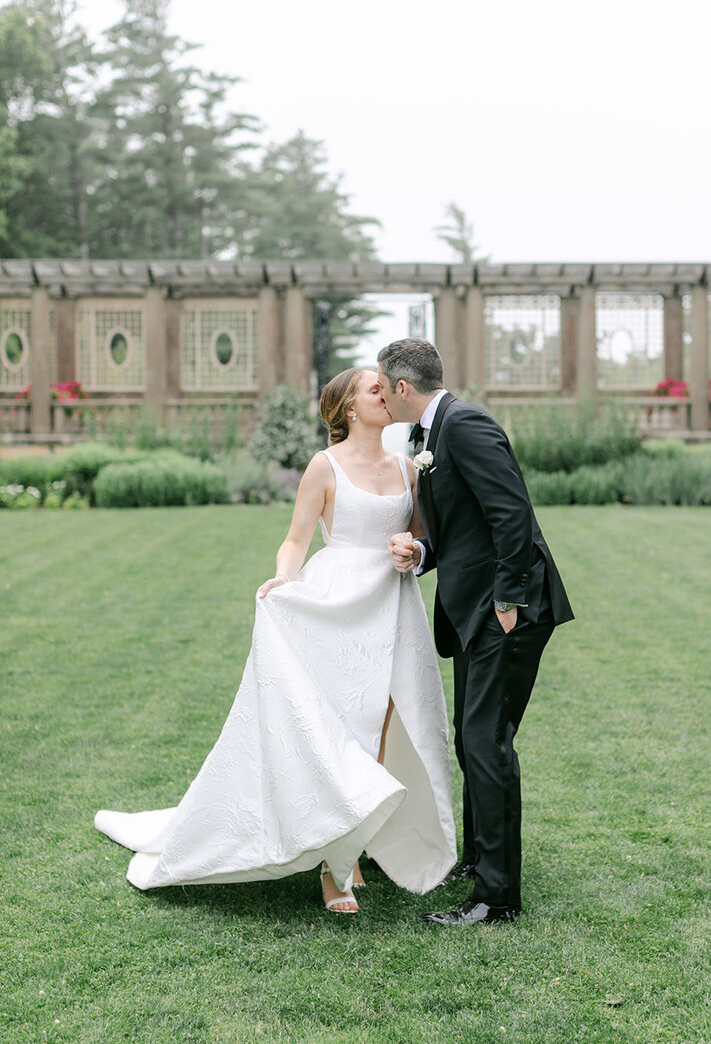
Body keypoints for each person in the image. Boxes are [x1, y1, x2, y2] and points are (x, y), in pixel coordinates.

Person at [95, 368, 456, 915]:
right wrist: (286, 580)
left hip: (394, 607)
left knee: (384, 723)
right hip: (336, 608)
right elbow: (295, 540)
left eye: (386, 388)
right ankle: (336, 872)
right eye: (373, 389)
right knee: (346, 724)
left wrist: (413, 547)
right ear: (350, 409)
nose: (386, 394)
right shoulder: (324, 466)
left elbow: (425, 535)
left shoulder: (409, 467)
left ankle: (352, 841)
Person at [377, 338, 574, 926]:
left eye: (384, 388)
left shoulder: (464, 426)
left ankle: (496, 898)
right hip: (473, 611)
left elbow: (511, 511)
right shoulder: (434, 433)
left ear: (403, 388)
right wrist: (423, 550)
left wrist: (509, 597)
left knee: (485, 743)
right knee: (473, 739)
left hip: (504, 610)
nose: (383, 399)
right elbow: (465, 525)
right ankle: (482, 857)